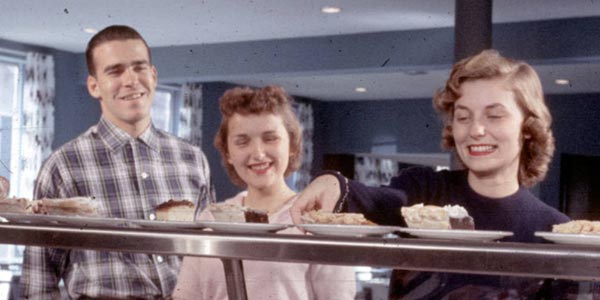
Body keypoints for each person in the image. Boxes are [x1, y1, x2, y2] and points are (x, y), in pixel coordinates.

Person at [290, 49, 571, 298]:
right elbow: (381, 202)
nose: (476, 130)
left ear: (527, 128)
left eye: (494, 115)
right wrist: (335, 184)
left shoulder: (553, 230)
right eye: (463, 117)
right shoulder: (424, 189)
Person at [19, 25, 215, 299]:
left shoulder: (192, 160)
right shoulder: (64, 166)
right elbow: (39, 279)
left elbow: (209, 259)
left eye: (139, 68)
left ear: (154, 75)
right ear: (94, 86)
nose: (131, 80)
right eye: (115, 71)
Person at [173, 86, 356, 300]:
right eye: (242, 142)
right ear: (228, 153)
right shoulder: (210, 219)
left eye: (270, 138)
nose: (258, 153)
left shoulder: (318, 222)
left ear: (292, 146)